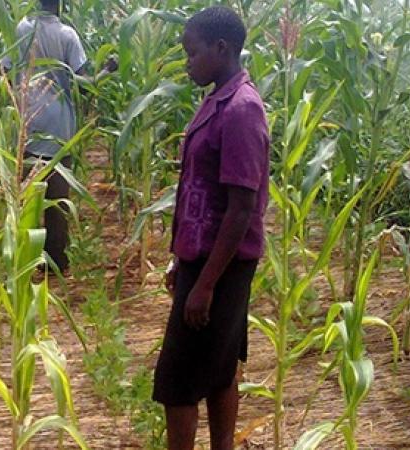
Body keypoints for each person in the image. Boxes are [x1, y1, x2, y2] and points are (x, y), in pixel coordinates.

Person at [152, 6, 270, 450]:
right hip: (203, 257)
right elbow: (200, 189)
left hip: (221, 265)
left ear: (221, 48)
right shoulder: (219, 98)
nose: (187, 62)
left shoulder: (241, 109)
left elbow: (241, 208)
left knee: (177, 381)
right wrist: (181, 259)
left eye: (192, 52)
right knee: (220, 367)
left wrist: (203, 284)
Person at [4, 0, 115, 274]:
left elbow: (4, 71)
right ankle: (55, 261)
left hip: (27, 122)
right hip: (58, 127)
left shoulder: (21, 29)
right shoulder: (67, 35)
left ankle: (25, 258)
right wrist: (108, 70)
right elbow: (84, 86)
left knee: (27, 196)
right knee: (56, 199)